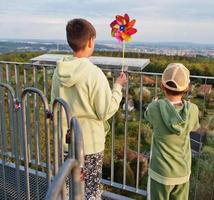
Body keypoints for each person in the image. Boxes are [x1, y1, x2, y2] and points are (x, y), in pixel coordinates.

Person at [51, 18, 127, 199]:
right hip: (90, 144)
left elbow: (55, 104)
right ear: (91, 41)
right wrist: (118, 87)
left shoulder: (58, 71)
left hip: (67, 141)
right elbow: (105, 111)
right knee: (91, 191)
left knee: (69, 188)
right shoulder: (94, 73)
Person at [144, 63, 200, 200]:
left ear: (162, 86)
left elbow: (147, 116)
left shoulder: (154, 108)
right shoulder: (193, 110)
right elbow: (194, 127)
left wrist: (156, 102)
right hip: (182, 171)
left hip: (160, 172)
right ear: (187, 88)